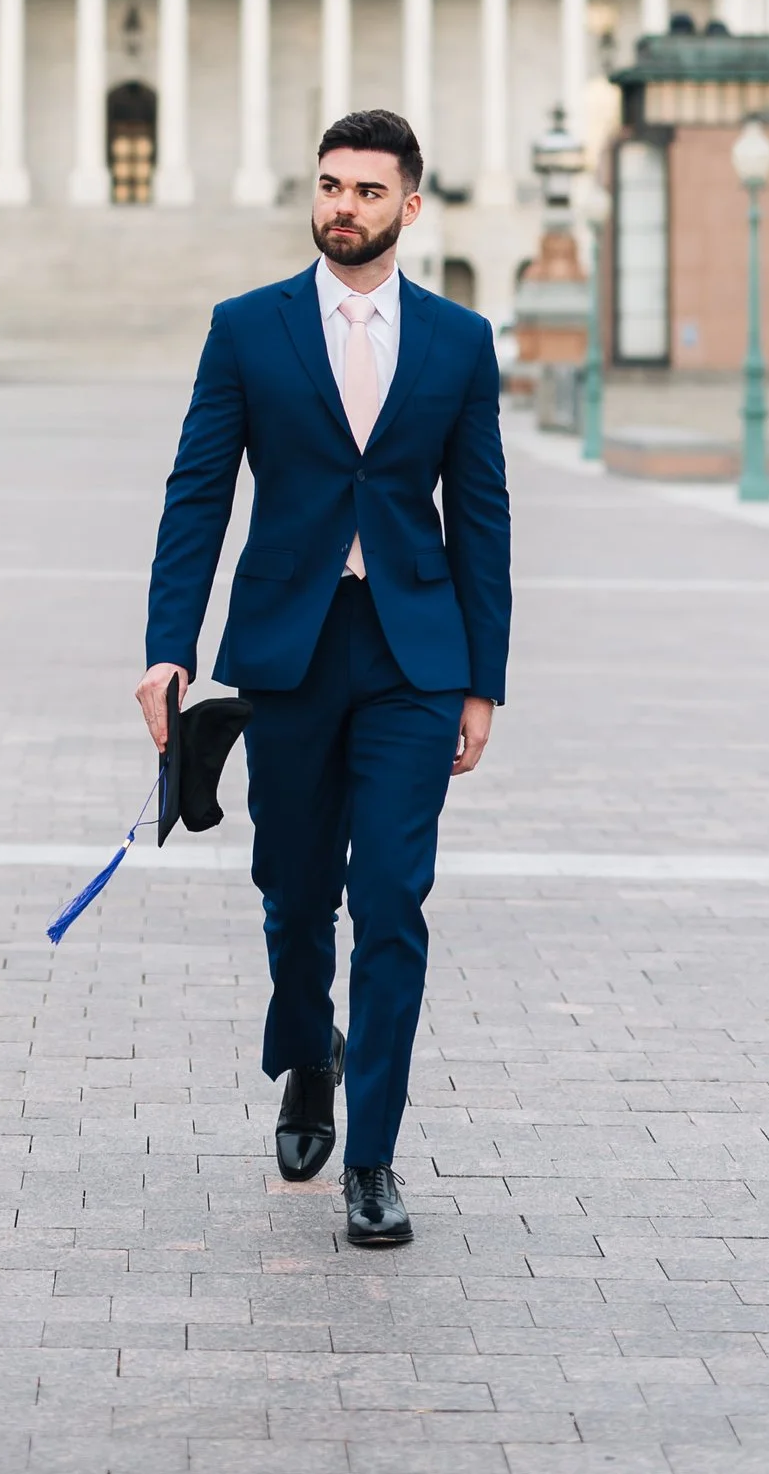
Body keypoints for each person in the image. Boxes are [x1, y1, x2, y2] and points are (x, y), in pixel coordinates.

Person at [139, 108, 513, 1248]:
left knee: (393, 901)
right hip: (288, 654)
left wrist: (482, 679)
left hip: (411, 655)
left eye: (365, 189)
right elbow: (197, 492)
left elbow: (481, 515)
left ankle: (374, 1159)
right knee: (295, 894)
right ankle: (308, 1054)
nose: (342, 204)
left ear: (409, 204)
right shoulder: (247, 330)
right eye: (329, 185)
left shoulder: (457, 341)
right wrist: (170, 646)